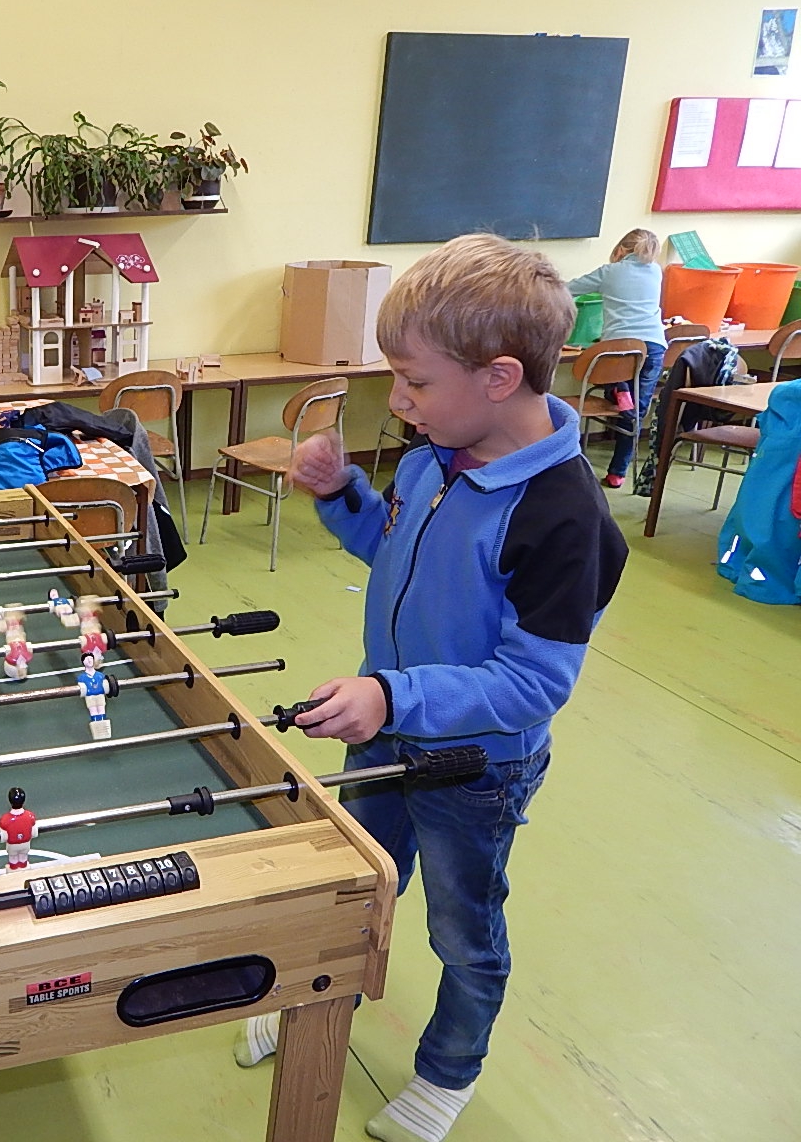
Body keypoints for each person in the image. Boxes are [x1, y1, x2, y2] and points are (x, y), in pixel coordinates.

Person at [232, 235, 628, 1142]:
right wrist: (343, 495)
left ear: (498, 378)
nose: (399, 401)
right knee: (354, 887)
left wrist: (393, 695)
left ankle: (450, 1069)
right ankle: (316, 1001)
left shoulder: (563, 517)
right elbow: (392, 551)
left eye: (414, 382)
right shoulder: (431, 457)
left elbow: (533, 682)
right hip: (386, 732)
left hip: (474, 769)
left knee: (463, 929)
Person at [565, 228, 666, 488]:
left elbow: (568, 289)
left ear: (621, 249)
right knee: (636, 412)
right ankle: (618, 473)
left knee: (608, 373)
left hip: (619, 348)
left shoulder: (610, 272)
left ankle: (619, 391)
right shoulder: (656, 271)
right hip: (653, 346)